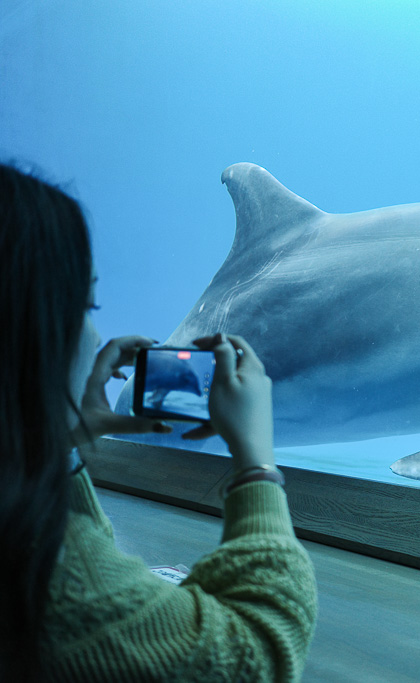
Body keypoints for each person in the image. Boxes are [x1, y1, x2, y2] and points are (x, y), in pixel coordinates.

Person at [0, 162, 317, 681]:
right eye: (86, 302)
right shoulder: (50, 576)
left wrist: (65, 440)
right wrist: (257, 462)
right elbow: (258, 653)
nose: (95, 329)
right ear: (32, 333)